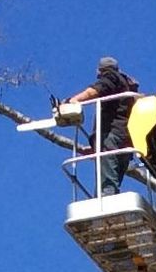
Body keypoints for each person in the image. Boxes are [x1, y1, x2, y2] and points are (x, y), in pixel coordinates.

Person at [60, 58, 140, 193]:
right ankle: (109, 201)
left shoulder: (112, 78)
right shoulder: (125, 86)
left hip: (112, 134)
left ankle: (107, 200)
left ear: (100, 71)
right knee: (111, 178)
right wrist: (94, 147)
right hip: (125, 138)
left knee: (107, 186)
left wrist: (72, 101)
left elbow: (95, 91)